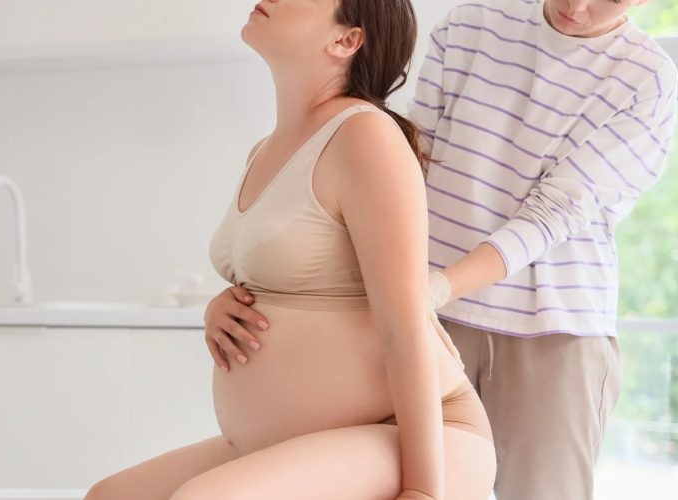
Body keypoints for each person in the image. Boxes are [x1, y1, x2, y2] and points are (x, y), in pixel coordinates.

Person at [205, 0, 678, 499]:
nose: (577, 7)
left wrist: (429, 290)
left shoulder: (645, 76)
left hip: (548, 326)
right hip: (431, 311)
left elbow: (552, 214)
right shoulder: (472, 21)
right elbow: (412, 157)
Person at [85, 0, 495, 499]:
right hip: (299, 440)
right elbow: (292, 280)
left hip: (409, 436)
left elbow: (405, 325)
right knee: (110, 497)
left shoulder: (365, 135)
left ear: (346, 40)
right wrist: (223, 306)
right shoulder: (266, 148)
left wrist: (425, 492)